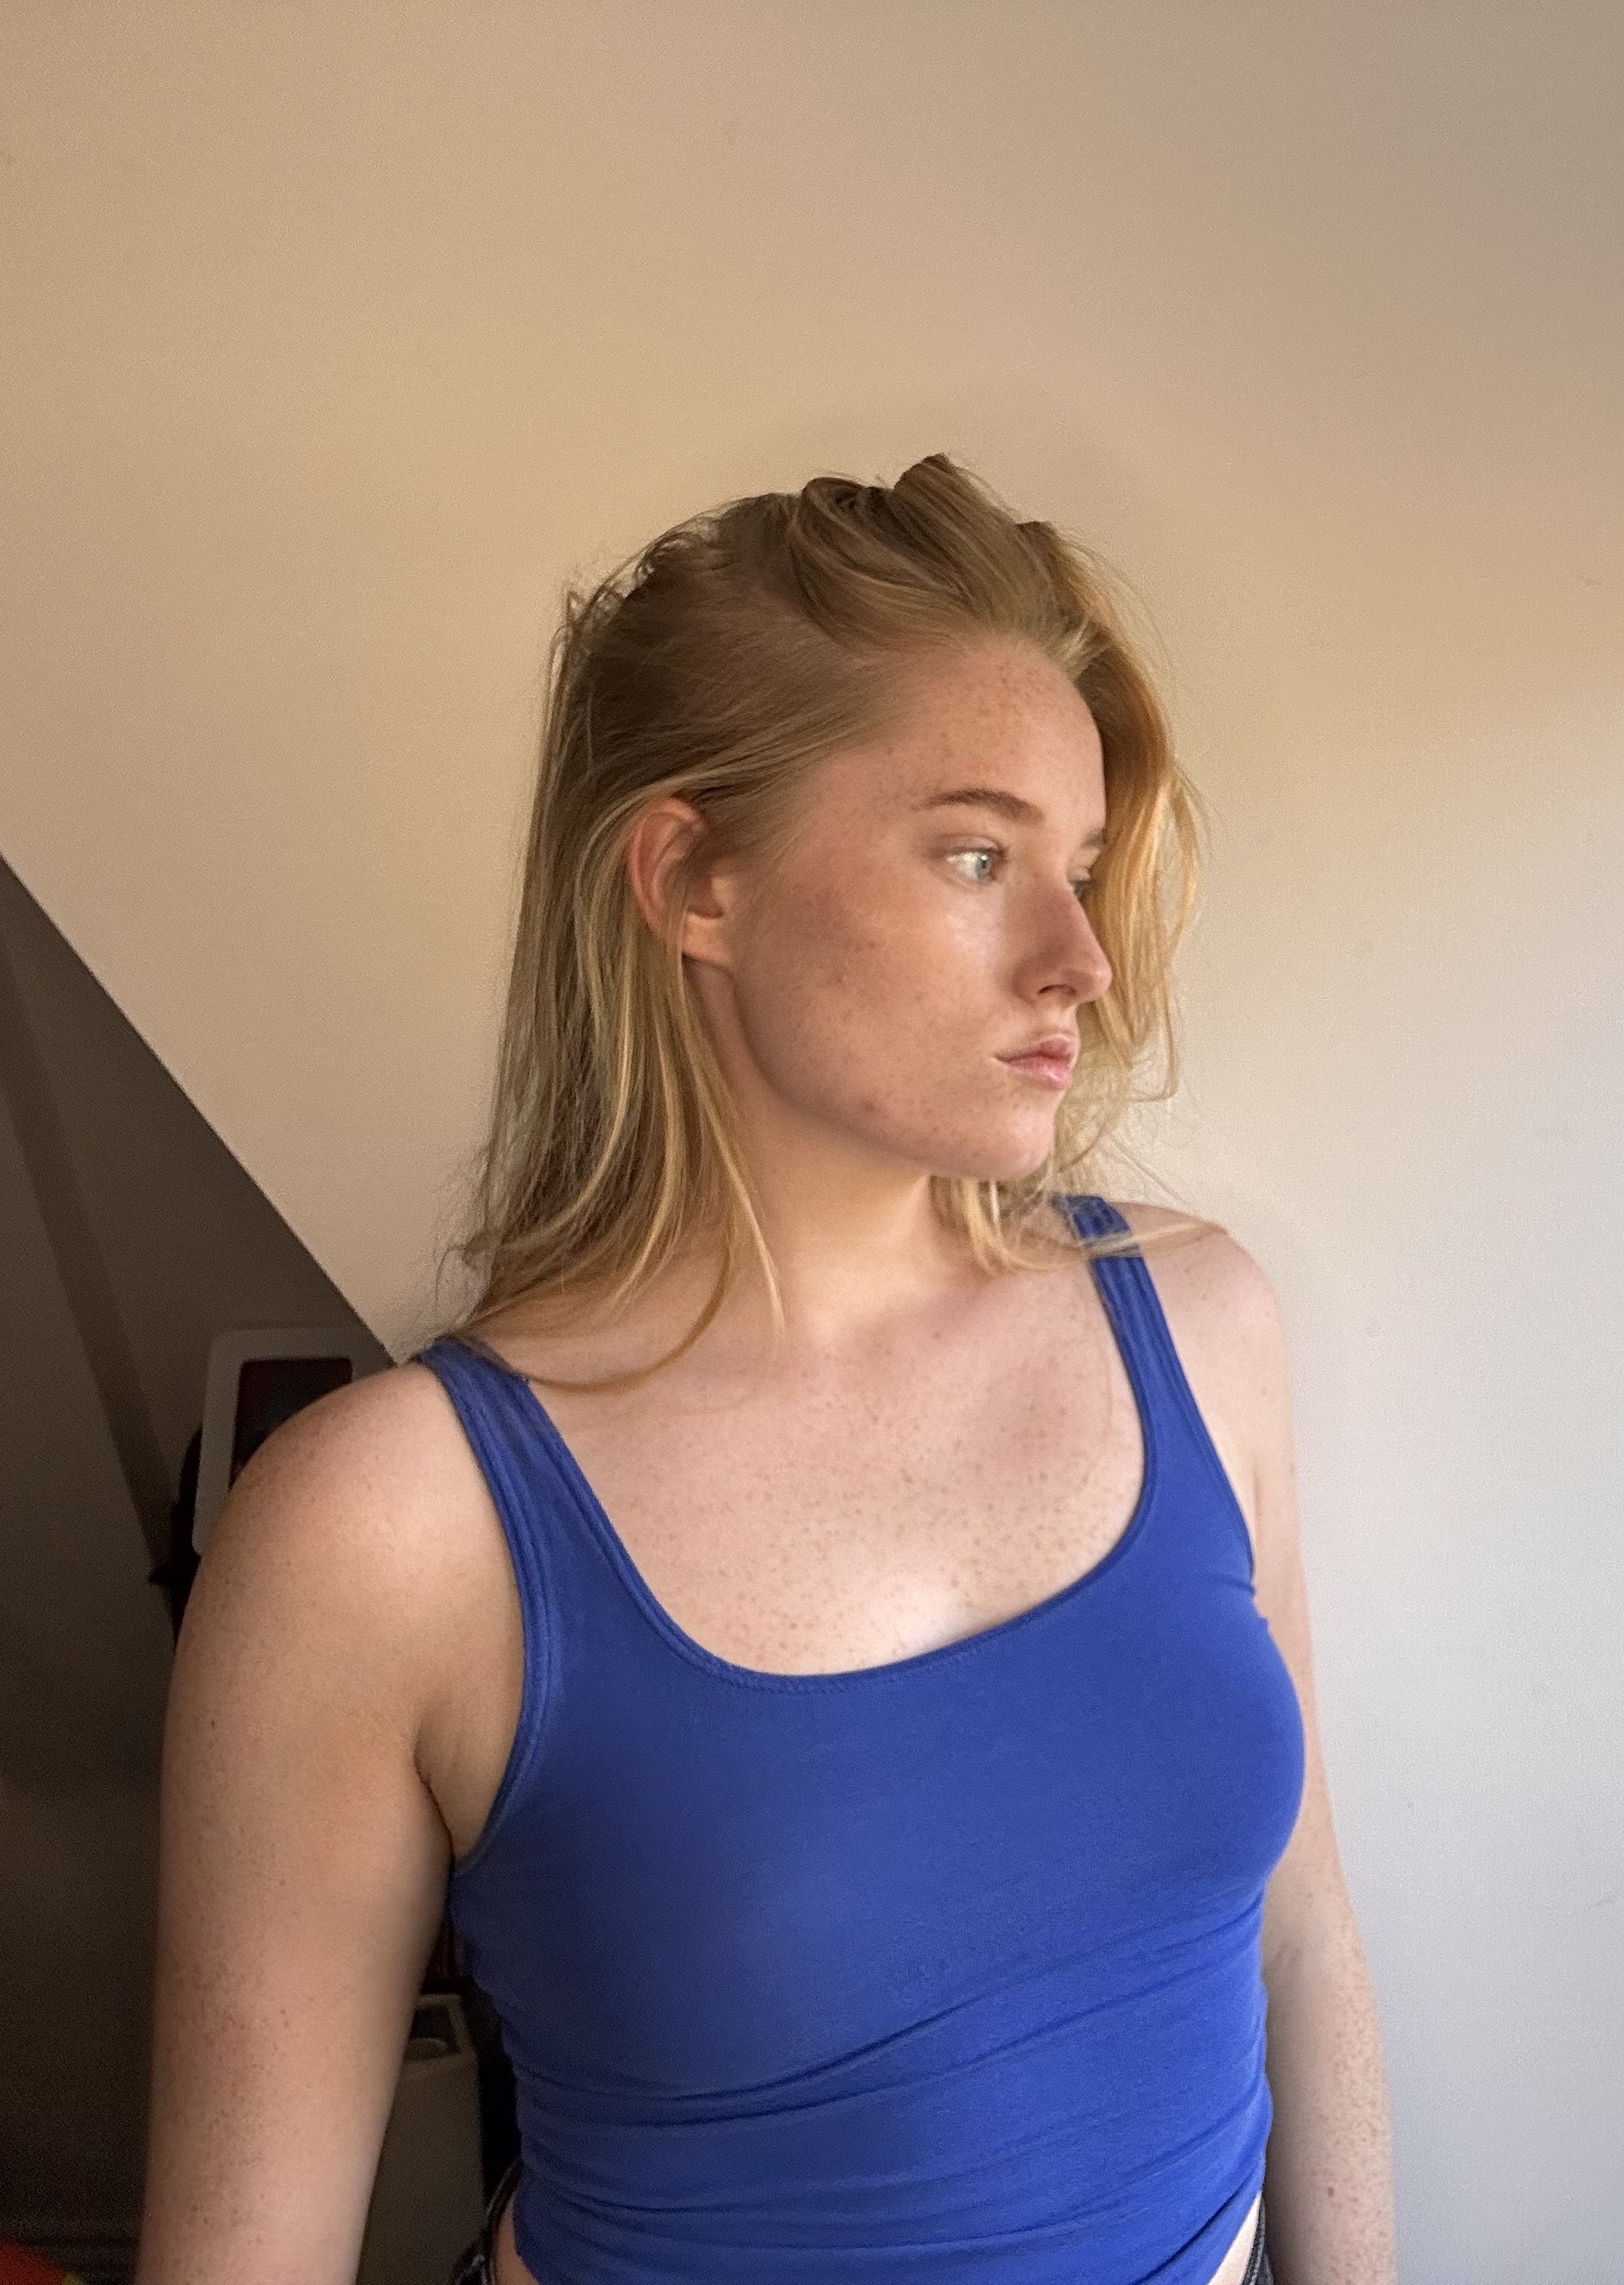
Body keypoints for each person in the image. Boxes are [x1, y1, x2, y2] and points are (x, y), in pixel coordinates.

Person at [136, 456, 1397, 2285]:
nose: (1080, 959)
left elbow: (1299, 1932)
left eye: (1078, 867)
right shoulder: (387, 1528)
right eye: (976, 855)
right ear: (690, 877)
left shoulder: (1198, 1325)